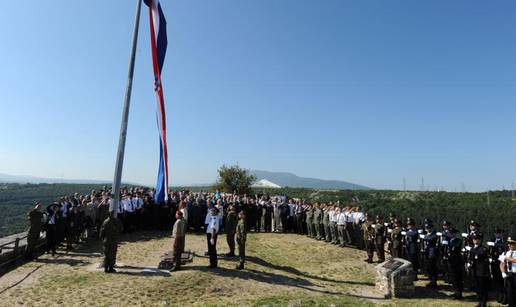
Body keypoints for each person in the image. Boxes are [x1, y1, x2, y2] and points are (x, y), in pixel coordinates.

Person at [468, 233, 490, 307]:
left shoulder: (483, 248)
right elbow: (471, 257)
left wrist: (471, 249)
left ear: (480, 240)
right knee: (477, 287)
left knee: (483, 287)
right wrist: (469, 262)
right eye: (474, 239)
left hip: (482, 271)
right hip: (474, 270)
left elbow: (481, 253)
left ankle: (483, 303)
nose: (475, 241)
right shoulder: (473, 248)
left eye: (477, 239)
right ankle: (480, 302)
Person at [446, 228, 464, 300]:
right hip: (450, 261)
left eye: (452, 233)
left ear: (455, 234)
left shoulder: (458, 240)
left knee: (457, 277)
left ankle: (459, 293)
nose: (451, 234)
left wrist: (448, 243)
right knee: (453, 277)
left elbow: (456, 246)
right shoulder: (448, 240)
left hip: (456, 261)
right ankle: (455, 291)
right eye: (450, 233)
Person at [500, 236, 516, 307]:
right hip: (509, 274)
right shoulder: (506, 252)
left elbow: (515, 260)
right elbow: (501, 264)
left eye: (511, 243)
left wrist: (507, 258)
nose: (509, 245)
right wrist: (503, 272)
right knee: (509, 293)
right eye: (509, 243)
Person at [423, 219, 439, 288]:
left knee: (432, 267)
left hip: (432, 253)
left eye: (429, 228)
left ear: (432, 228)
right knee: (429, 267)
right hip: (427, 252)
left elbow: (431, 239)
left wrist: (425, 237)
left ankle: (434, 281)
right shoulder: (427, 234)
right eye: (426, 228)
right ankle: (431, 280)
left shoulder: (434, 234)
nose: (427, 229)